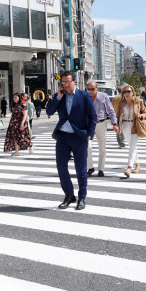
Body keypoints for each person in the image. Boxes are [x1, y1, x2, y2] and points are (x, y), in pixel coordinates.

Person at [46, 72, 97, 211]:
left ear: (74, 81)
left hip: (79, 136)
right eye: (63, 82)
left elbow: (93, 116)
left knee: (80, 169)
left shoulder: (84, 95)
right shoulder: (59, 96)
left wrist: (89, 135)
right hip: (63, 136)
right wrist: (58, 98)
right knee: (61, 168)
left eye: (68, 82)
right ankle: (69, 195)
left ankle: (82, 197)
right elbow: (49, 112)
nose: (66, 85)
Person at [85, 81, 119, 178]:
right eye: (89, 89)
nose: (90, 91)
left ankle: (101, 169)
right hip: (89, 125)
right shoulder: (85, 97)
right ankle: (90, 168)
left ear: (97, 88)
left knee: (102, 148)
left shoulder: (103, 96)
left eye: (92, 89)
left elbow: (110, 110)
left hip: (101, 123)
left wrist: (115, 123)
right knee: (88, 147)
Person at [117, 85, 146, 177]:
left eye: (128, 91)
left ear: (132, 92)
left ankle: (129, 167)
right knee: (132, 146)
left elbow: (145, 112)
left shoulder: (138, 101)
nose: (126, 93)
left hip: (135, 125)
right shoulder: (121, 102)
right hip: (125, 126)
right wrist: (116, 125)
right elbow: (118, 115)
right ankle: (137, 165)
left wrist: (141, 116)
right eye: (124, 92)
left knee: (132, 146)